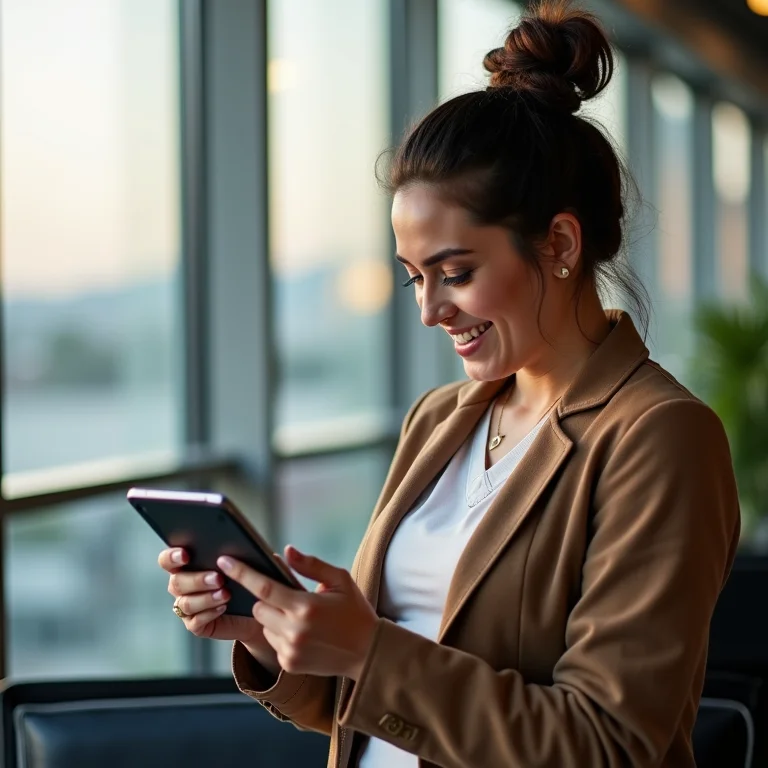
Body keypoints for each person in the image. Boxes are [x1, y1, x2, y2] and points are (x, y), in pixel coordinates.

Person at [158, 2, 741, 765]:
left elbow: (609, 745)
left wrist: (369, 650)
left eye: (456, 274)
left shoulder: (658, 435)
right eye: (413, 279)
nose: (431, 311)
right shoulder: (440, 421)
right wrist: (274, 634)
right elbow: (368, 708)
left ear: (560, 243)